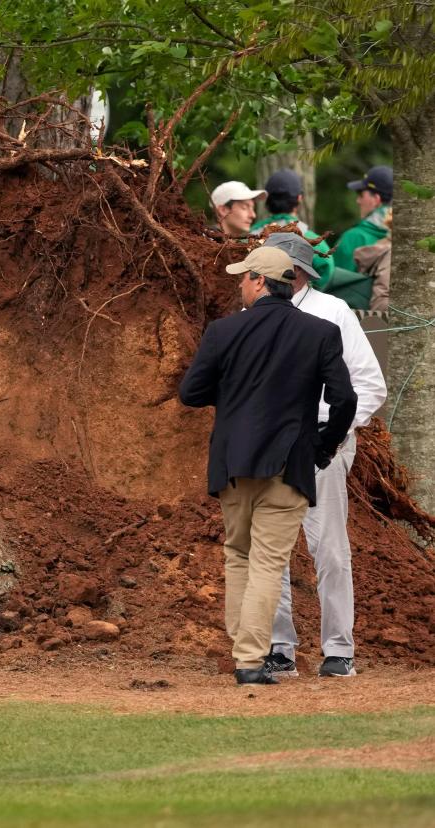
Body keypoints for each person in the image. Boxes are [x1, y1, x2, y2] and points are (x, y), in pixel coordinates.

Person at [179, 245, 356, 685]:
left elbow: (191, 393)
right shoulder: (318, 332)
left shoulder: (223, 331)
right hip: (288, 464)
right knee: (267, 561)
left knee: (239, 554)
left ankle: (246, 652)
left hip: (233, 464)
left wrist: (235, 394)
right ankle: (250, 661)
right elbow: (345, 398)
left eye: (244, 276)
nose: (239, 283)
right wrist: (324, 445)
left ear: (260, 281)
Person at [260, 233, 387, 679]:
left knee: (328, 548)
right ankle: (280, 647)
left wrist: (331, 435)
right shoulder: (251, 313)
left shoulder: (334, 311)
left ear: (294, 271)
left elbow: (370, 386)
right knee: (271, 548)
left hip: (320, 443)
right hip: (269, 443)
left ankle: (338, 649)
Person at [249, 169, 334, 289]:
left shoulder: (249, 237)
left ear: (267, 201)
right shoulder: (313, 241)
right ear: (299, 198)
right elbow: (325, 269)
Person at [332, 165, 393, 272]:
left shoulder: (353, 238)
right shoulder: (412, 239)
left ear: (376, 199)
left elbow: (329, 284)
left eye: (361, 194)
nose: (358, 201)